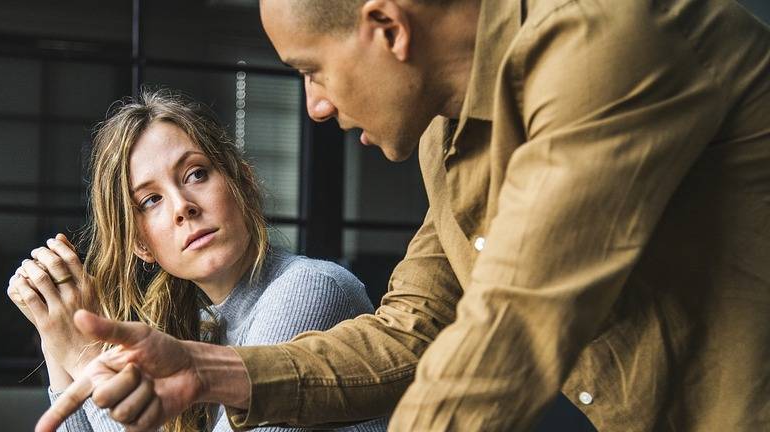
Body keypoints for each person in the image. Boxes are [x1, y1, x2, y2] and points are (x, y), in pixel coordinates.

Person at [38, 0, 770, 431]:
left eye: (312, 71)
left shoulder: (603, 42)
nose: (316, 106)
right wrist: (204, 368)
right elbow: (411, 331)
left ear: (386, 25)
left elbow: (510, 329)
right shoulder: (447, 142)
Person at [8, 90, 387, 432]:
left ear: (244, 183)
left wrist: (84, 355)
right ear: (142, 246)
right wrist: (55, 331)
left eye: (196, 174)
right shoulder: (197, 325)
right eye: (151, 200)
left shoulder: (311, 289)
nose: (182, 207)